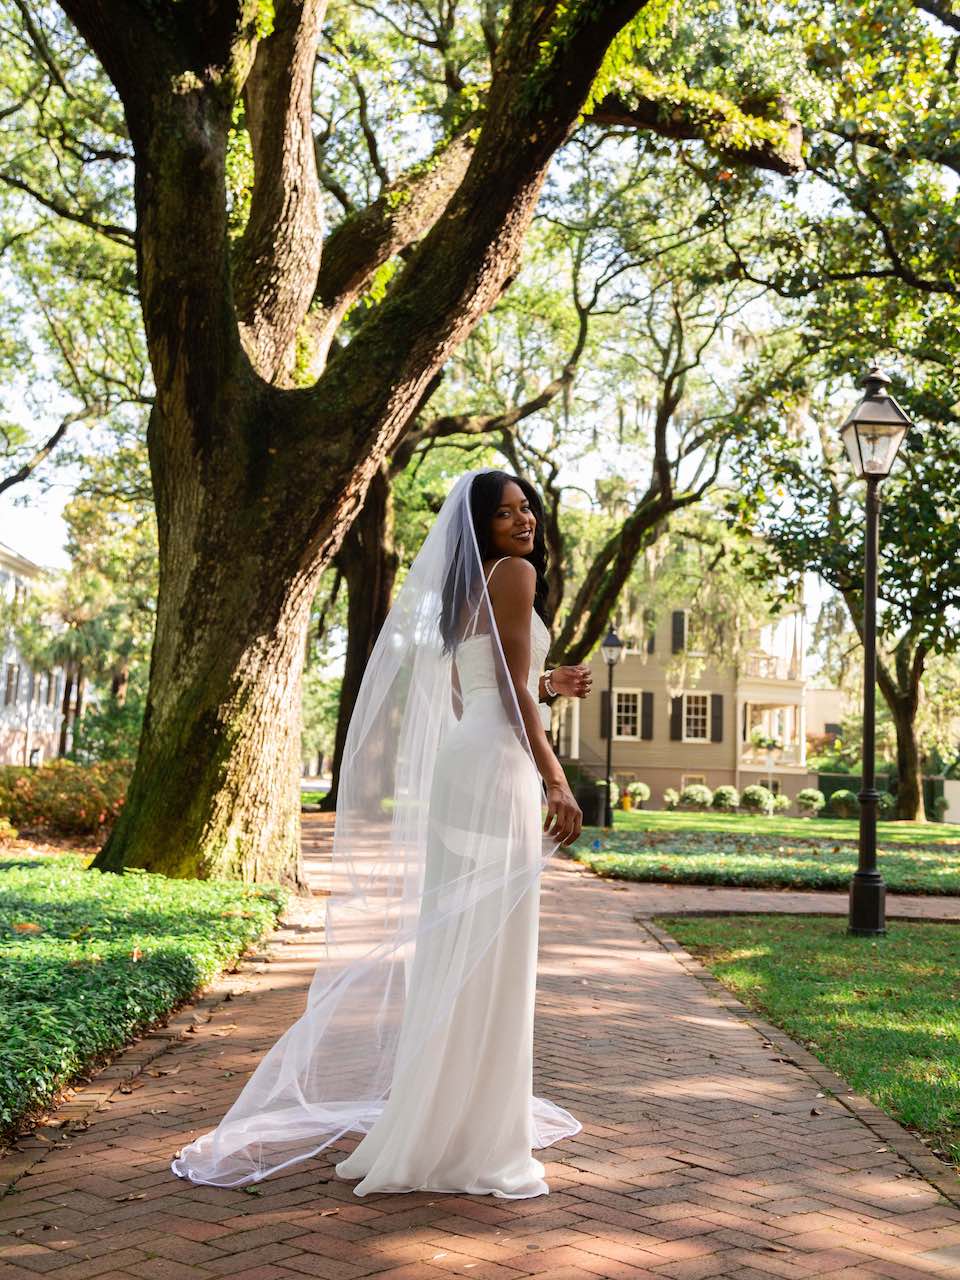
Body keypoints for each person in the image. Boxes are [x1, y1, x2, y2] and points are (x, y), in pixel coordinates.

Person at [171, 467, 591, 1197]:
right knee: (490, 946)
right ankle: (472, 1135)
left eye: (528, 509)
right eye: (505, 514)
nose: (524, 522)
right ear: (481, 527)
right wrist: (555, 776)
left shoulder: (469, 586)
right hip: (499, 769)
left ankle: (437, 1121)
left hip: (466, 766)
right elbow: (512, 691)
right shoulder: (516, 575)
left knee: (461, 943)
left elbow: (475, 686)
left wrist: (548, 687)